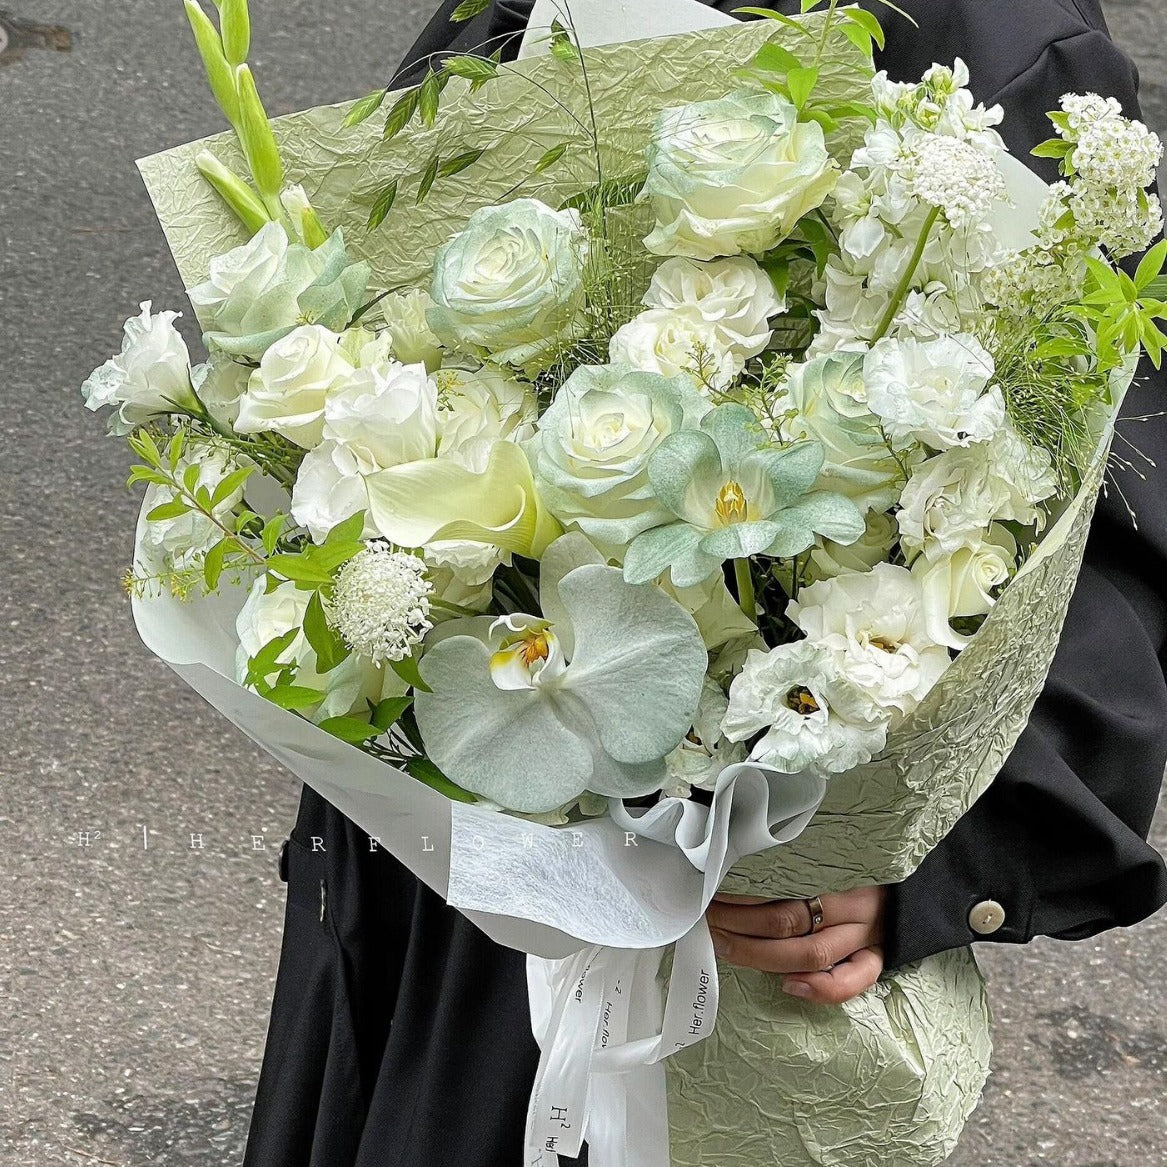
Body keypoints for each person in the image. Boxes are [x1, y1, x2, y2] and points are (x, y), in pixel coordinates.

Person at [242, 2, 1167, 1164]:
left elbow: (1110, 547)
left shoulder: (990, 44)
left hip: (730, 918)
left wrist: (928, 870)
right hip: (452, 867)